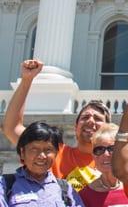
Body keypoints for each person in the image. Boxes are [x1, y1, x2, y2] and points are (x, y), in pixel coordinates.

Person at [2, 60, 111, 191]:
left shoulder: (114, 164)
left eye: (98, 118)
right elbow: (12, 128)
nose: (91, 121)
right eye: (85, 117)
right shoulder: (54, 152)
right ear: (75, 127)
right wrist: (27, 79)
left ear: (107, 130)